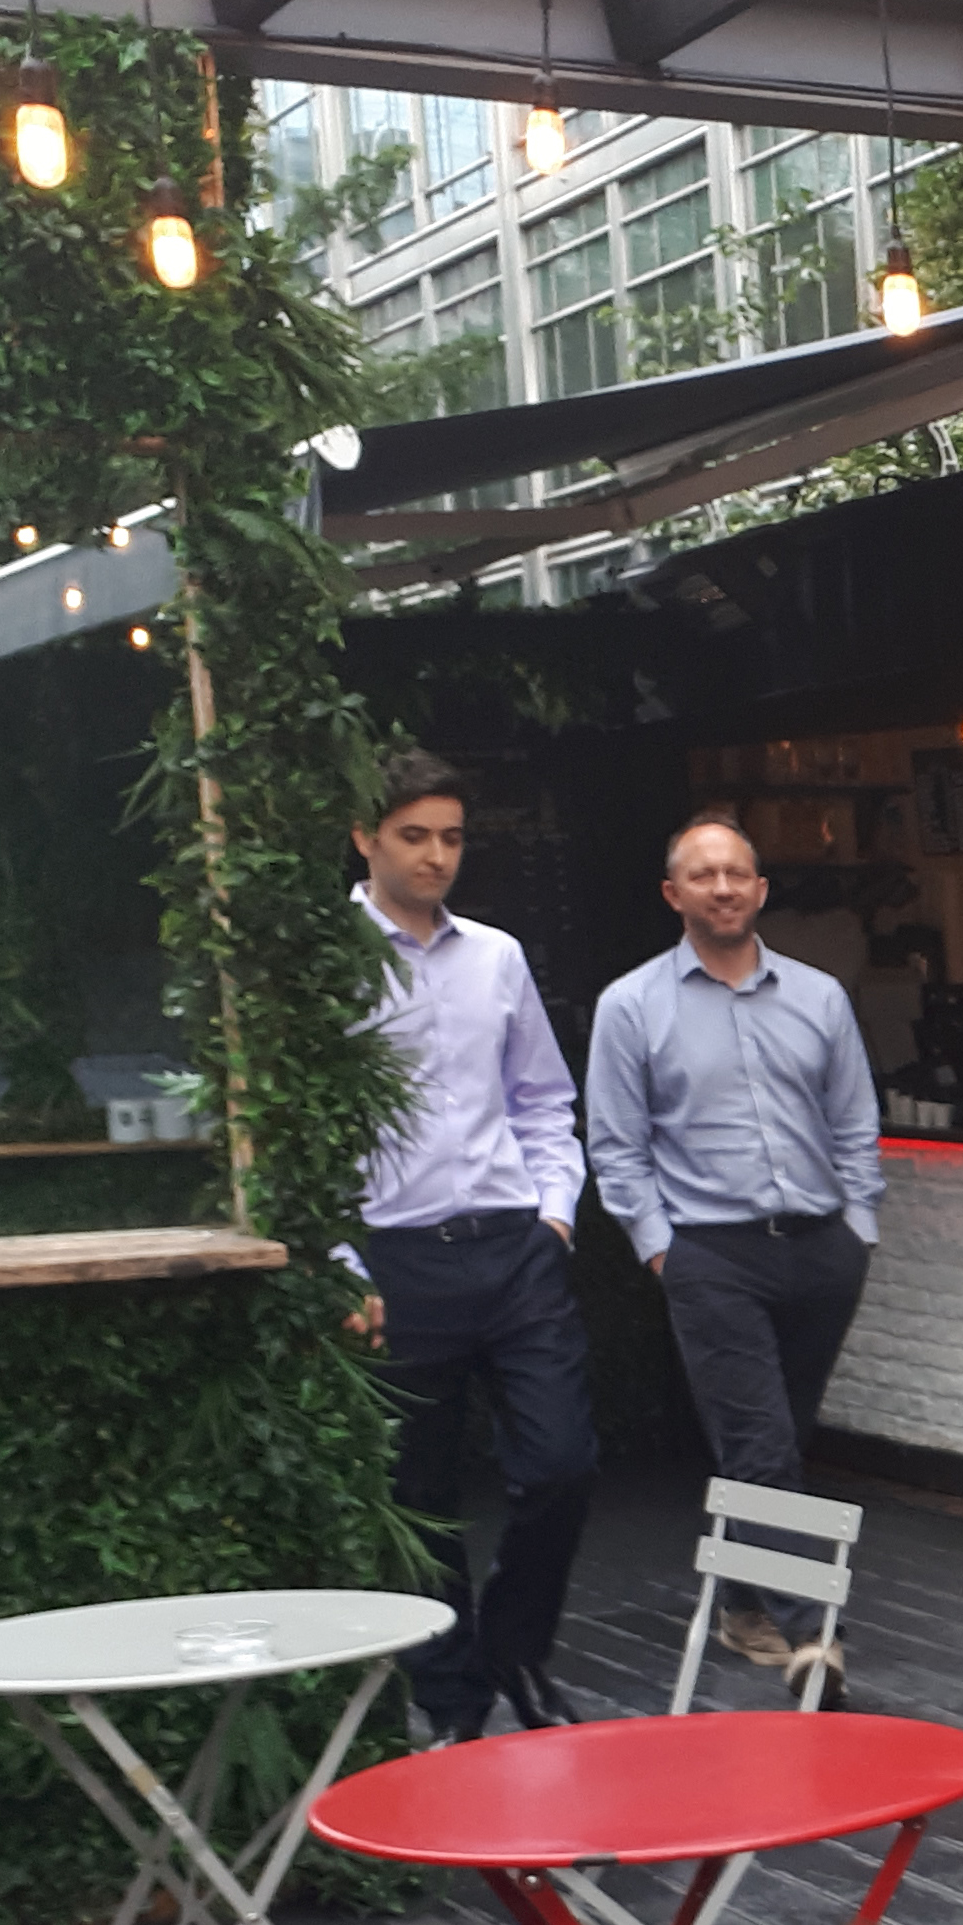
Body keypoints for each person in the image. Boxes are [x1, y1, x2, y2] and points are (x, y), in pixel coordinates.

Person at [585, 809, 882, 1697]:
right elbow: (616, 1143)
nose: (723, 888)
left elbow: (855, 1122)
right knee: (758, 1442)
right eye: (703, 875)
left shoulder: (820, 997)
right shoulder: (631, 1005)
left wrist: (859, 1228)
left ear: (759, 889)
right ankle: (811, 1637)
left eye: (737, 874)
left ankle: (745, 1604)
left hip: (821, 1251)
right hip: (710, 1255)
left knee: (776, 1439)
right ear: (674, 894)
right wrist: (658, 1249)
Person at [345, 748, 599, 1745]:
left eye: (451, 837)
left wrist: (554, 1213)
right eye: (415, 837)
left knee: (563, 1463)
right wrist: (339, 1259)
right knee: (421, 1493)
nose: (437, 856)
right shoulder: (330, 960)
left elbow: (543, 1097)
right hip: (394, 1255)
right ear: (365, 837)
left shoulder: (495, 955)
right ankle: (453, 1700)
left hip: (510, 1244)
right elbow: (298, 1130)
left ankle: (518, 1650)